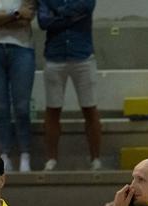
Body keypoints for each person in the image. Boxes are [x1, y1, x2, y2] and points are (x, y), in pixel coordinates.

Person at [38, 0, 102, 171]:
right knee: (52, 109)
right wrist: (72, 16)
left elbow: (87, 7)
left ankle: (95, 159)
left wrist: (57, 13)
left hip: (83, 56)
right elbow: (43, 22)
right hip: (54, 56)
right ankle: (51, 159)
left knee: (89, 108)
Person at [0, 0, 36, 173]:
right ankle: (5, 154)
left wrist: (2, 18)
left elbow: (27, 18)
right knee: (0, 107)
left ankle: (25, 154)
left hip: (22, 49)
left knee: (22, 107)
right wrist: (15, 15)